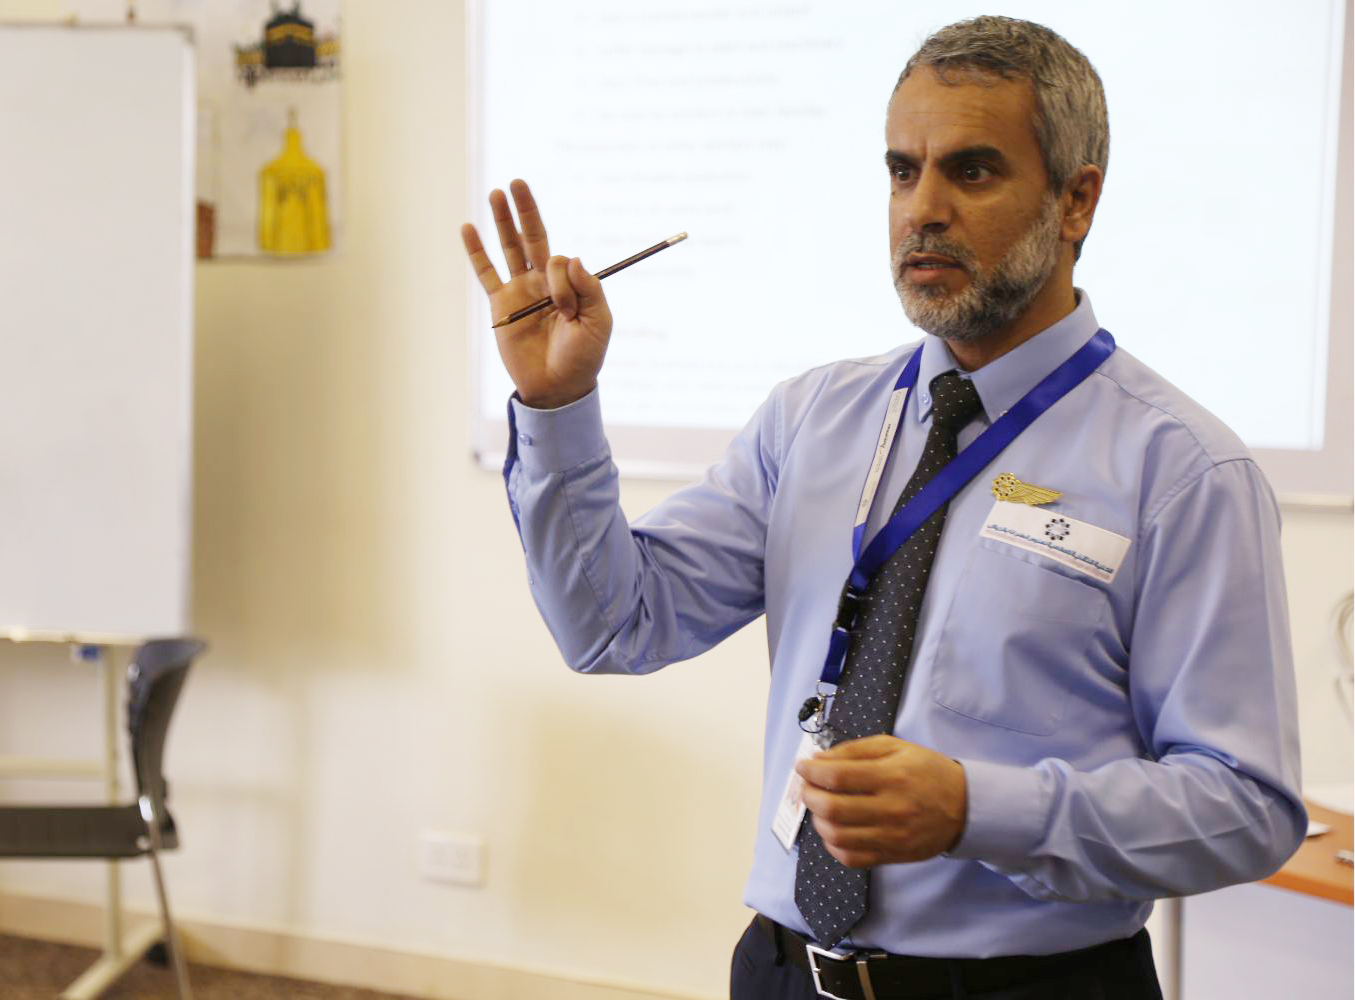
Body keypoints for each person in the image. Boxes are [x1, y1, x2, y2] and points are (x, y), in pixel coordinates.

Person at [460, 16, 1305, 1000]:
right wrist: (557, 407)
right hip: (782, 973)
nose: (924, 210)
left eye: (972, 171)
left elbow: (1247, 807)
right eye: (903, 172)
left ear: (1076, 200)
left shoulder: (1184, 472)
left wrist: (978, 809)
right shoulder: (812, 421)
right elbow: (614, 626)